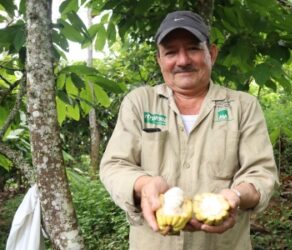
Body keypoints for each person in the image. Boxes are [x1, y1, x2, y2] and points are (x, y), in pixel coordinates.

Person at [100, 10, 279, 250]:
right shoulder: (140, 103)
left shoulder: (242, 106)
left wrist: (235, 196)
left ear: (211, 54)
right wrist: (144, 185)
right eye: (171, 52)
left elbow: (262, 174)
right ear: (159, 60)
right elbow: (114, 165)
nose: (182, 60)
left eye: (193, 49)